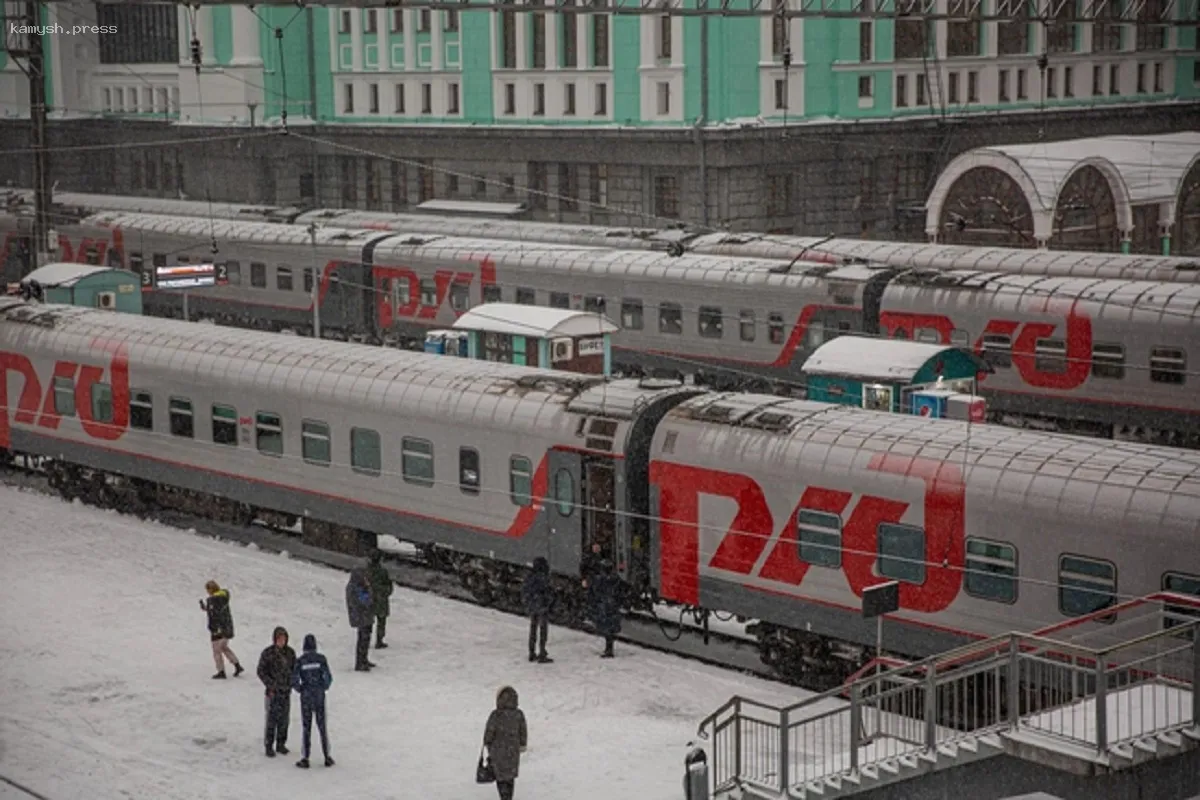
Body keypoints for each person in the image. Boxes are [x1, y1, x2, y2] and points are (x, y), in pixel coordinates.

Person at [291, 634, 334, 769]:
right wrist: (323, 687)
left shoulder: (300, 661)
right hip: (319, 695)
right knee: (322, 726)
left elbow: (294, 678)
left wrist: (301, 689)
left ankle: (305, 757)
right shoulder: (321, 659)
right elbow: (328, 677)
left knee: (306, 727)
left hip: (306, 696)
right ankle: (327, 756)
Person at [257, 626, 296, 757]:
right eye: (279, 638)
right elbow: (261, 671)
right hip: (273, 692)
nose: (281, 641)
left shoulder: (290, 653)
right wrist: (271, 684)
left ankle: (281, 743)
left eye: (283, 638)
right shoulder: (268, 653)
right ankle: (269, 745)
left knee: (284, 719)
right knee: (271, 720)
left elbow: (294, 670)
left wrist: (291, 684)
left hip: (285, 691)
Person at [483, 686, 528, 800]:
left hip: (497, 751)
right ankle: (508, 796)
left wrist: (488, 743)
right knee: (510, 776)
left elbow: (489, 733)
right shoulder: (518, 714)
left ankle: (504, 796)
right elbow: (523, 731)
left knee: (501, 776)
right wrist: (522, 745)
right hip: (512, 752)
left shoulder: (496, 715)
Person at [199, 580, 243, 679]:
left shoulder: (213, 600)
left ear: (210, 589)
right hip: (227, 627)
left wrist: (214, 627)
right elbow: (216, 611)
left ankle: (221, 671)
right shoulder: (224, 597)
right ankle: (237, 664)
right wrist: (206, 608)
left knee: (216, 651)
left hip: (217, 629)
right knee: (224, 647)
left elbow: (213, 615)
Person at [521, 557, 553, 664]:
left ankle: (531, 652)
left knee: (533, 629)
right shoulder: (543, 578)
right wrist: (547, 603)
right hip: (542, 607)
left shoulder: (529, 577)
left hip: (533, 606)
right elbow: (548, 593)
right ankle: (542, 652)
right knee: (543, 630)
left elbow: (525, 591)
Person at [589, 560, 623, 658]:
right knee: (611, 629)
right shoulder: (616, 579)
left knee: (606, 627)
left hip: (605, 607)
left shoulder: (600, 580)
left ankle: (609, 650)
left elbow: (595, 592)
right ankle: (609, 648)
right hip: (613, 606)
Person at [345, 567, 375, 671]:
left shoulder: (354, 586)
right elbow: (366, 600)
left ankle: (363, 659)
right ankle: (361, 662)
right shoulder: (356, 587)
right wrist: (369, 589)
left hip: (363, 616)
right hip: (362, 617)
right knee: (363, 640)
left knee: (365, 639)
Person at [365, 550, 393, 649]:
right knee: (381, 621)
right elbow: (388, 584)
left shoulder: (366, 571)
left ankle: (366, 640)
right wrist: (386, 592)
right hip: (381, 599)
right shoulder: (383, 571)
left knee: (368, 622)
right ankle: (379, 640)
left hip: (369, 598)